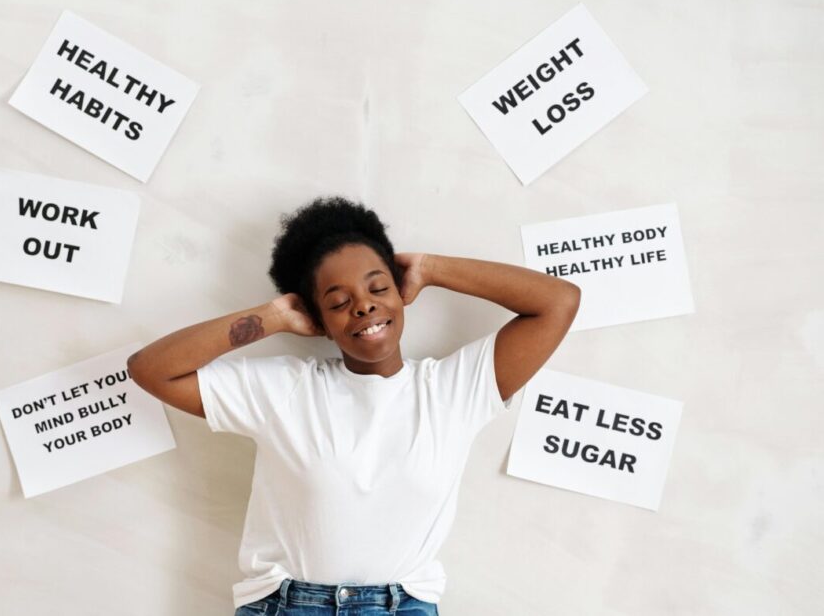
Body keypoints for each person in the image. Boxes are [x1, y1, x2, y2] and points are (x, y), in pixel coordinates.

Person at [127, 196, 580, 615]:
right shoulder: (285, 390)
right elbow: (151, 369)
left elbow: (558, 301)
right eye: (339, 302)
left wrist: (429, 268)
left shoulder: (453, 389)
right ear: (318, 321)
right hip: (287, 605)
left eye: (378, 288)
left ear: (400, 292)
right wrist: (275, 317)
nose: (363, 306)